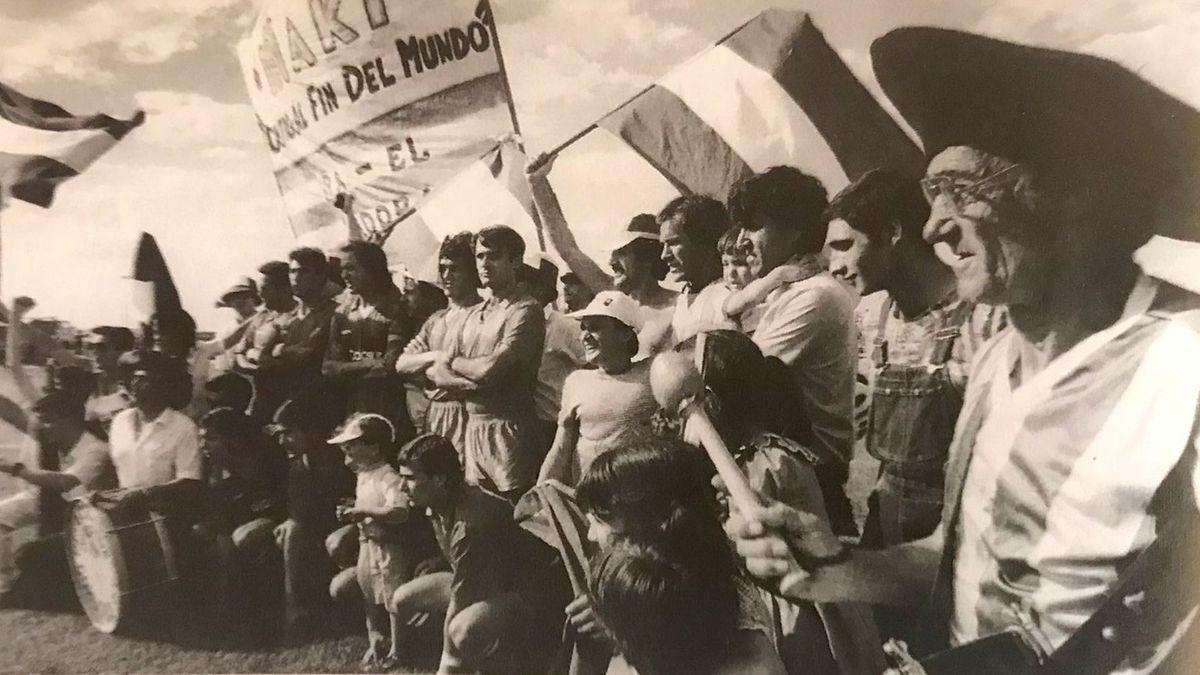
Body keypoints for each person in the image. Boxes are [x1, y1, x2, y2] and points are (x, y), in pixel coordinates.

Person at [727, 27, 1200, 674]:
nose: (933, 227)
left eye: (962, 191)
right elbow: (957, 563)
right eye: (933, 196)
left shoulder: (1183, 362)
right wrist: (836, 565)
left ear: (1075, 200)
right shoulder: (995, 360)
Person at [670, 330, 884, 674]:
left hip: (795, 609)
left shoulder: (770, 463)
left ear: (712, 401)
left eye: (688, 405)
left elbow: (761, 541)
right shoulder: (744, 457)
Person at [825, 169, 1006, 547]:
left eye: (844, 245)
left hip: (956, 529)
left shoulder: (983, 318)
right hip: (885, 519)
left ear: (892, 233)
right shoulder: (872, 317)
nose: (834, 266)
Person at [575, 438, 786, 675]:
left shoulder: (739, 647)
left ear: (649, 529)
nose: (591, 535)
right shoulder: (701, 585)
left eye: (599, 521)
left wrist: (624, 622)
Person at [728, 166, 858, 536]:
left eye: (755, 226)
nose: (741, 241)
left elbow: (726, 376)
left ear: (796, 229)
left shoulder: (814, 295)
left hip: (809, 487)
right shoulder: (785, 291)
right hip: (782, 476)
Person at [389, 433, 572, 674]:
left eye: (410, 478)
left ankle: (515, 661)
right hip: (494, 586)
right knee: (402, 598)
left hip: (533, 596)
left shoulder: (471, 523)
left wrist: (447, 663)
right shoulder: (438, 503)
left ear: (439, 479)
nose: (401, 486)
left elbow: (461, 600)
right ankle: (399, 656)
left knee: (461, 629)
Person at [425, 226, 545, 501]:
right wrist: (471, 378)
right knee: (480, 509)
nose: (485, 264)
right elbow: (436, 372)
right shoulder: (474, 313)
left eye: (494, 256)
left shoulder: (526, 309)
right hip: (473, 428)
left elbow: (490, 369)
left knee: (517, 510)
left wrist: (453, 361)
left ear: (515, 261)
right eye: (480, 256)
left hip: (510, 428)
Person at [329, 413, 428, 668]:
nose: (347, 455)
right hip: (368, 543)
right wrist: (353, 511)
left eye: (352, 448)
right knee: (369, 591)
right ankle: (377, 637)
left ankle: (399, 649)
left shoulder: (388, 477)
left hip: (389, 547)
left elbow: (399, 511)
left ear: (374, 449)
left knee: (392, 594)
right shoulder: (364, 476)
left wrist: (364, 512)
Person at [527, 154, 677, 314]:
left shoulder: (679, 305)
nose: (612, 260)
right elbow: (567, 249)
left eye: (622, 251)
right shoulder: (612, 295)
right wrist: (537, 184)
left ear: (647, 255)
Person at [0, 392, 115, 599]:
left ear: (67, 420)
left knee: (28, 556)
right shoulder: (55, 443)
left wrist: (16, 469)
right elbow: (13, 414)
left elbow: (65, 482)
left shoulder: (95, 450)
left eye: (47, 421)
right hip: (63, 517)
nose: (41, 428)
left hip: (93, 531)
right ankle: (4, 587)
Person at [538, 291, 656, 486]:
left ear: (626, 333)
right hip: (588, 494)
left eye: (595, 328)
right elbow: (560, 450)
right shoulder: (576, 382)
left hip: (635, 492)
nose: (584, 336)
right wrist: (538, 493)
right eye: (583, 328)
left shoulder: (652, 374)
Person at [269, 393, 355, 637]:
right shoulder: (300, 467)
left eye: (289, 433)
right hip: (323, 537)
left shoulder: (347, 461)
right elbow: (300, 518)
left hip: (358, 533)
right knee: (289, 533)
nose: (282, 441)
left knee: (329, 542)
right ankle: (296, 609)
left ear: (313, 432)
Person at [196, 407, 288, 634]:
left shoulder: (270, 461)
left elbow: (285, 503)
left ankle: (247, 612)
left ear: (234, 440)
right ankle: (230, 611)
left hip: (281, 523)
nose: (203, 445)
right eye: (202, 439)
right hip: (243, 526)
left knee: (242, 537)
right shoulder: (217, 470)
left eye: (211, 439)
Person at [395, 233, 484, 457]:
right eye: (443, 268)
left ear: (473, 273)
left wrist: (434, 372)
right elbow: (402, 364)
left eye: (455, 269)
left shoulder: (486, 315)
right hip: (435, 413)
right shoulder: (436, 320)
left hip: (469, 414)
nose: (446, 276)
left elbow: (477, 375)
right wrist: (435, 356)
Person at [323, 240, 414, 438]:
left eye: (351, 268)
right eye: (342, 269)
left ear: (372, 269)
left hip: (391, 408)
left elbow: (389, 367)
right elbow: (329, 368)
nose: (344, 275)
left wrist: (347, 369)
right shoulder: (342, 314)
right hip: (354, 408)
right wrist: (370, 364)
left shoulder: (397, 311)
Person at [100, 350, 204, 514]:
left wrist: (144, 494)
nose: (134, 385)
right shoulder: (119, 421)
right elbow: (115, 470)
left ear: (163, 385)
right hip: (124, 515)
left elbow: (190, 482)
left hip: (164, 518)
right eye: (132, 378)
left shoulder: (184, 427)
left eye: (143, 379)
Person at [520, 256, 588, 452]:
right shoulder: (512, 324)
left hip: (552, 427)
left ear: (544, 290)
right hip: (519, 426)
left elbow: (595, 368)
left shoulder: (565, 327)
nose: (519, 287)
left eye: (527, 281)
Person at [653, 195, 737, 350]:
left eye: (674, 243)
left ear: (704, 241)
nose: (664, 255)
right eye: (664, 245)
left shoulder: (730, 295)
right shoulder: (683, 298)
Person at [231, 261, 298, 421]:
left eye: (265, 289)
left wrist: (254, 354)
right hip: (260, 400)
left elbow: (287, 358)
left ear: (284, 288)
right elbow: (238, 353)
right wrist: (254, 364)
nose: (260, 295)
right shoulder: (262, 317)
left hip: (290, 402)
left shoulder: (301, 317)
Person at [81, 326, 136, 429]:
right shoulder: (97, 384)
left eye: (102, 348)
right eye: (93, 347)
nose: (95, 353)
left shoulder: (136, 393)